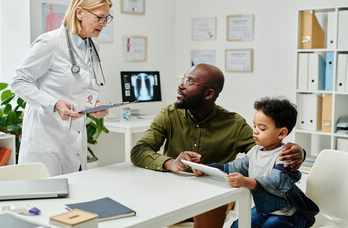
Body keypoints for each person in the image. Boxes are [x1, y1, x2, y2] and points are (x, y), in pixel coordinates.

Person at [130, 63, 306, 228]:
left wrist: (299, 152)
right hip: (173, 189)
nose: (181, 86)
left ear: (208, 94)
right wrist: (171, 163)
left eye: (189, 82)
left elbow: (268, 148)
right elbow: (139, 151)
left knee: (208, 209)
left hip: (212, 195)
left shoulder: (233, 124)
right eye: (183, 79)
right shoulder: (169, 114)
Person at [11, 0, 113, 176]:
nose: (104, 24)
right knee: (43, 200)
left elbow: (81, 88)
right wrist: (54, 104)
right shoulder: (50, 42)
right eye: (99, 17)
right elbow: (19, 82)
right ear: (80, 12)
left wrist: (95, 105)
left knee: (72, 196)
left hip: (74, 138)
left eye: (107, 18)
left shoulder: (92, 47)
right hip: (46, 139)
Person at [193, 97, 319, 228]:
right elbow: (234, 166)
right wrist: (207, 168)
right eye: (254, 126)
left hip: (287, 215)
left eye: (262, 128)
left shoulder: (286, 154)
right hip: (264, 210)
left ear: (281, 133)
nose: (255, 131)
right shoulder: (255, 151)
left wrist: (246, 182)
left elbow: (276, 181)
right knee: (237, 226)